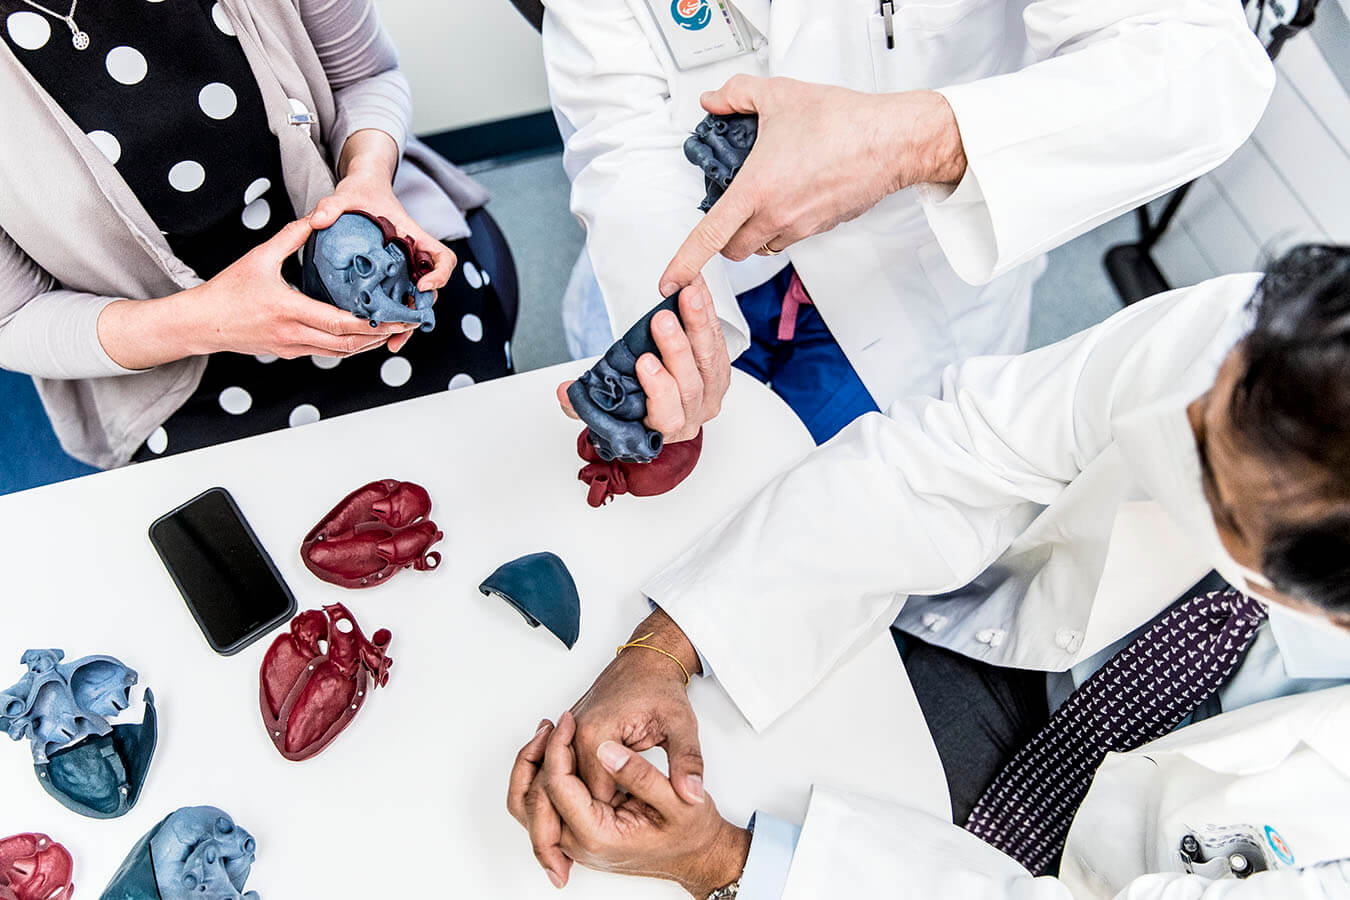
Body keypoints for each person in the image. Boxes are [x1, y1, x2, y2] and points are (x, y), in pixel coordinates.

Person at [508, 244, 1350, 897]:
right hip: (1029, 658)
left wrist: (727, 865)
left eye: (1211, 486)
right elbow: (962, 453)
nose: (1175, 430)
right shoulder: (1263, 345)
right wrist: (669, 644)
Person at [542, 0, 1275, 444]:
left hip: (914, 275)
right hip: (682, 234)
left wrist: (908, 142)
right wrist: (660, 318)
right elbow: (618, 125)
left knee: (847, 528)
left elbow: (1204, 66)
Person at [0, 0, 515, 469]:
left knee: (490, 466)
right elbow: (14, 317)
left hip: (381, 266)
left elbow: (367, 76)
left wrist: (367, 176)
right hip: (172, 366)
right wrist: (205, 322)